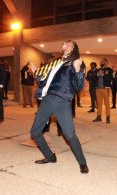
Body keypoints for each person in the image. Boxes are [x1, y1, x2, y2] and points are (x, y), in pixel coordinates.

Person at [30, 40, 89, 174]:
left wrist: (79, 70)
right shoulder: (57, 62)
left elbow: (79, 86)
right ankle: (50, 156)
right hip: (47, 99)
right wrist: (36, 73)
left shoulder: (77, 61)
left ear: (73, 47)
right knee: (35, 132)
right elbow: (46, 80)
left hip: (62, 100)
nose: (63, 44)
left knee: (70, 135)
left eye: (66, 43)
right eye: (63, 43)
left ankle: (82, 163)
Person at [93, 58, 113, 123]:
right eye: (101, 61)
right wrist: (98, 74)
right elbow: (94, 79)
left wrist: (103, 75)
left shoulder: (109, 70)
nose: (102, 62)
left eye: (103, 61)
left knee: (107, 104)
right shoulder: (98, 70)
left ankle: (108, 117)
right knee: (99, 104)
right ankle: (99, 117)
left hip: (105, 89)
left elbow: (110, 78)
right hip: (98, 89)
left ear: (106, 62)